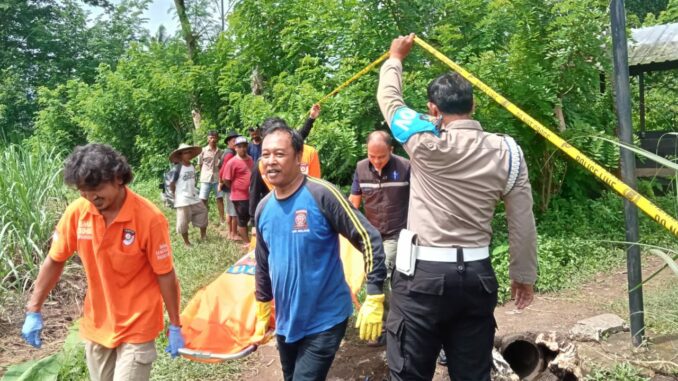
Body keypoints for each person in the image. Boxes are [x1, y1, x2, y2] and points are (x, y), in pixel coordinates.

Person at [377, 34, 538, 381]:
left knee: (408, 372)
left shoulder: (422, 141)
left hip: (422, 279)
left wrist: (395, 58)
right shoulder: (508, 151)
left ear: (434, 110)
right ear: (473, 105)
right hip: (477, 279)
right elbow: (521, 221)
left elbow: (389, 100)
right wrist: (523, 276)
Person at [20, 144, 184, 381]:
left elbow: (165, 273)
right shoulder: (78, 212)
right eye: (83, 191)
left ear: (118, 178)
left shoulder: (149, 218)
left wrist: (175, 324)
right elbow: (55, 259)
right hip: (97, 323)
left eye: (96, 189)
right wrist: (33, 309)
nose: (90, 197)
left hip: (138, 323)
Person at [253, 120, 387, 381]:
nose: (271, 161)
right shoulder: (263, 208)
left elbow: (369, 238)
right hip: (286, 320)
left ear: (299, 156)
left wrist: (374, 295)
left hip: (325, 318)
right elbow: (262, 262)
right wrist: (263, 306)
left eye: (279, 154)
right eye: (266, 155)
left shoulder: (321, 194)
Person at [348, 130, 410, 346]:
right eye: (372, 156)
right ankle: (387, 324)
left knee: (383, 273)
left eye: (381, 157)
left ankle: (391, 327)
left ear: (391, 151)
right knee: (376, 277)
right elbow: (353, 202)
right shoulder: (361, 167)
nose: (376, 162)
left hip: (397, 232)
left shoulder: (405, 167)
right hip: (372, 235)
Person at [249, 104, 322, 220]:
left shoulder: (304, 152)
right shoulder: (260, 164)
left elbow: (298, 137)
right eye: (267, 154)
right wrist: (253, 221)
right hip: (276, 212)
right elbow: (254, 192)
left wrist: (311, 119)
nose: (272, 160)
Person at [169, 143, 208, 247]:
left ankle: (203, 236)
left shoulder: (191, 166)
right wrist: (175, 195)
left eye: (189, 152)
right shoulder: (178, 167)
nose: (188, 154)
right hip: (183, 198)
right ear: (181, 155)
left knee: (203, 211)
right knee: (183, 221)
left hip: (193, 196)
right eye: (185, 153)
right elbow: (171, 183)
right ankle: (187, 243)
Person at [222, 136, 254, 247]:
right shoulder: (232, 162)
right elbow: (226, 179)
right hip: (239, 197)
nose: (243, 149)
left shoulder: (250, 159)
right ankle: (246, 242)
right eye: (240, 146)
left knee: (252, 217)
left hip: (251, 195)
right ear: (235, 148)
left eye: (245, 146)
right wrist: (235, 188)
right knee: (242, 219)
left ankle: (252, 241)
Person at [198, 130, 225, 225]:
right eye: (211, 137)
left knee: (220, 198)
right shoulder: (202, 151)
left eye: (214, 137)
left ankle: (222, 219)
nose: (213, 139)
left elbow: (222, 166)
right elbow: (200, 165)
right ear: (208, 139)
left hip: (217, 178)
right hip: (205, 179)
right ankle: (203, 219)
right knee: (203, 199)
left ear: (217, 138)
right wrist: (204, 174)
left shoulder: (221, 152)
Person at [219, 131, 241, 240]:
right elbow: (223, 170)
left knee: (229, 210)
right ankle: (233, 234)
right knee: (234, 212)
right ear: (228, 142)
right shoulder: (230, 154)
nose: (236, 143)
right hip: (229, 186)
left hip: (227, 185)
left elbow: (219, 167)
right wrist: (222, 182)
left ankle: (230, 233)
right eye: (234, 141)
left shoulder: (226, 152)